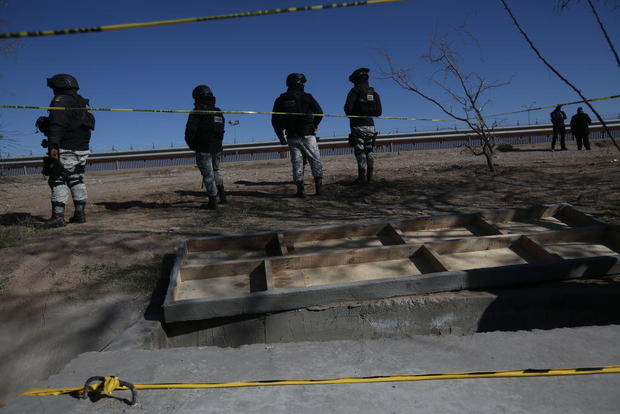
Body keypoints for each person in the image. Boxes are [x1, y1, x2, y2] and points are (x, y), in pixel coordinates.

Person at [36, 74, 95, 228]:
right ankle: (80, 214)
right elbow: (78, 124)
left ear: (59, 86)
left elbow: (58, 125)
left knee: (57, 179)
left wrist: (53, 146)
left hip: (66, 147)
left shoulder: (61, 100)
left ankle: (58, 217)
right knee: (76, 178)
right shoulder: (82, 102)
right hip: (82, 148)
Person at [272, 73, 324, 197]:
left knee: (297, 162)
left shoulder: (281, 99)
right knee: (315, 160)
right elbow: (320, 113)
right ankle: (319, 189)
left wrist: (280, 137)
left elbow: (275, 121)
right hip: (308, 135)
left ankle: (300, 191)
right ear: (300, 83)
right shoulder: (307, 97)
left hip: (292, 136)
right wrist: (314, 125)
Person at [184, 85, 226, 210]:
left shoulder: (197, 112)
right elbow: (221, 131)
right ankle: (223, 197)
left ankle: (212, 202)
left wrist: (193, 145)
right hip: (217, 148)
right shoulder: (218, 111)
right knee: (216, 171)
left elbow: (190, 132)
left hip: (203, 149)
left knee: (208, 175)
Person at [344, 67, 382, 184]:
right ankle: (370, 177)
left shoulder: (354, 91)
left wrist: (354, 115)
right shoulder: (374, 92)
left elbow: (347, 108)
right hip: (371, 126)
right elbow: (379, 112)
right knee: (369, 150)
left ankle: (362, 177)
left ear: (356, 80)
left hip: (357, 126)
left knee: (360, 151)